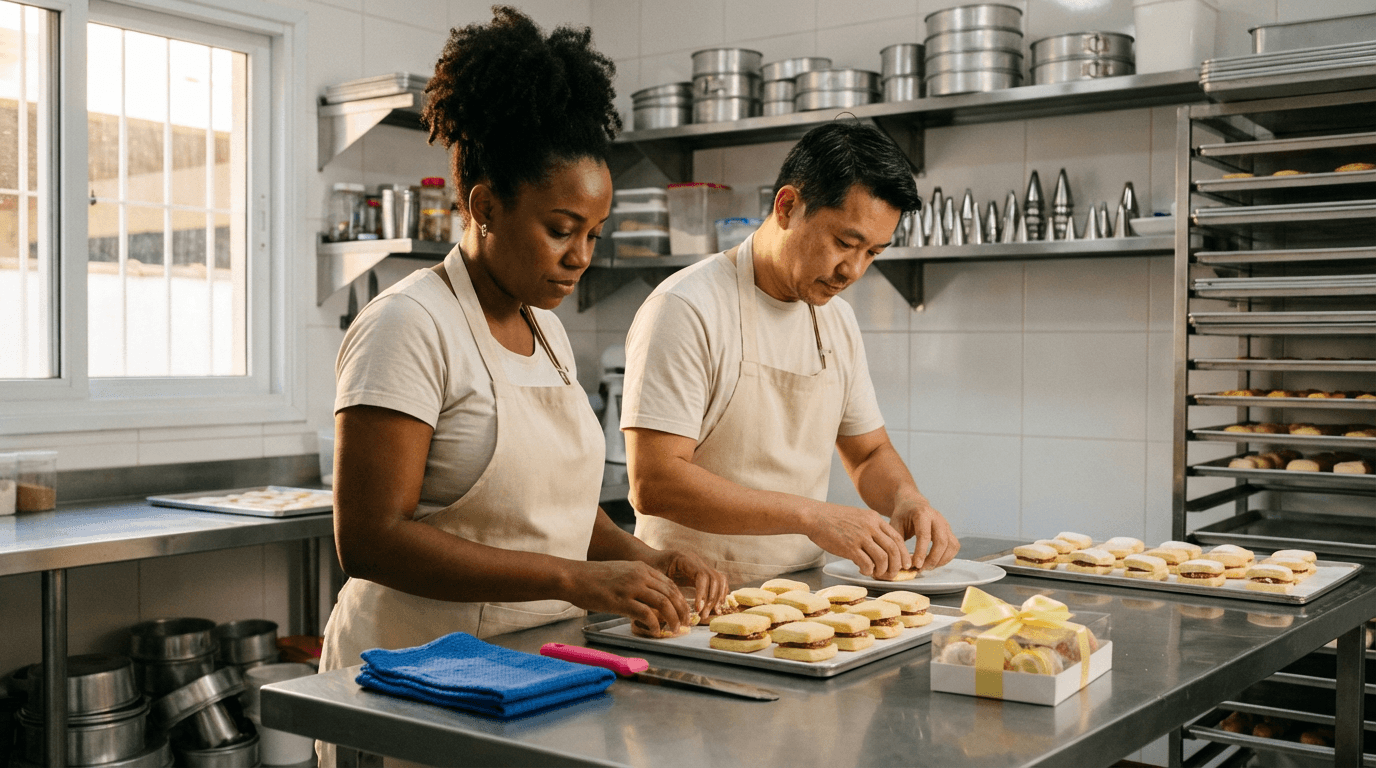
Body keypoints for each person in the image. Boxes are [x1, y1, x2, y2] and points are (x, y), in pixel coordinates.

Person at [319, 8, 726, 756]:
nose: (581, 257)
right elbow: (370, 541)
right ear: (484, 207)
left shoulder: (548, 330)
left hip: (535, 673)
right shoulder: (408, 325)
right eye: (561, 229)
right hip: (416, 677)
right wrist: (574, 580)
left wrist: (641, 559)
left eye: (593, 234)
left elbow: (555, 510)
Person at [622, 122, 960, 587]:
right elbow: (655, 483)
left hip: (799, 595)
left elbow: (868, 453)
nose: (853, 270)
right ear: (787, 207)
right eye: (845, 243)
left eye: (873, 253)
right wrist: (812, 516)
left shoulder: (837, 320)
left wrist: (907, 498)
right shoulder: (685, 307)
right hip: (690, 596)